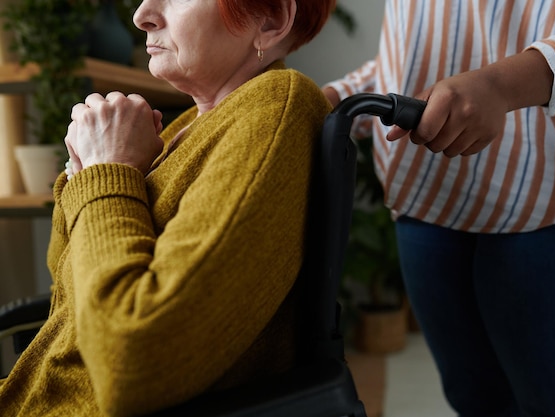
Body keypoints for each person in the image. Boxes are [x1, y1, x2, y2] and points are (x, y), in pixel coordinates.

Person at [0, 0, 336, 415]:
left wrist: (109, 169)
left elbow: (133, 361)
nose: (142, 15)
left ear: (271, 20)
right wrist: (84, 167)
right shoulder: (189, 124)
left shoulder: (274, 107)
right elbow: (66, 291)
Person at [324, 1, 555, 416]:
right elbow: (420, 48)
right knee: (476, 404)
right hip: (426, 206)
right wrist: (336, 98)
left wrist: (501, 85)